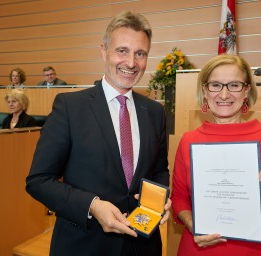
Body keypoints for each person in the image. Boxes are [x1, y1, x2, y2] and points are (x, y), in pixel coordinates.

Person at [26, 11, 171, 256]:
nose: (131, 63)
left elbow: (159, 170)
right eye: (122, 51)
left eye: (140, 53)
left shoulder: (155, 112)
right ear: (104, 51)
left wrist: (160, 199)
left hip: (143, 246)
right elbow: (39, 181)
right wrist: (92, 206)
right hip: (84, 245)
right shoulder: (69, 107)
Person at [171, 54, 261, 255]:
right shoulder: (188, 141)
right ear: (205, 90)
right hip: (197, 248)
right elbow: (179, 198)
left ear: (246, 90)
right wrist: (192, 223)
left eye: (234, 85)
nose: (224, 94)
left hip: (250, 251)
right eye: (215, 85)